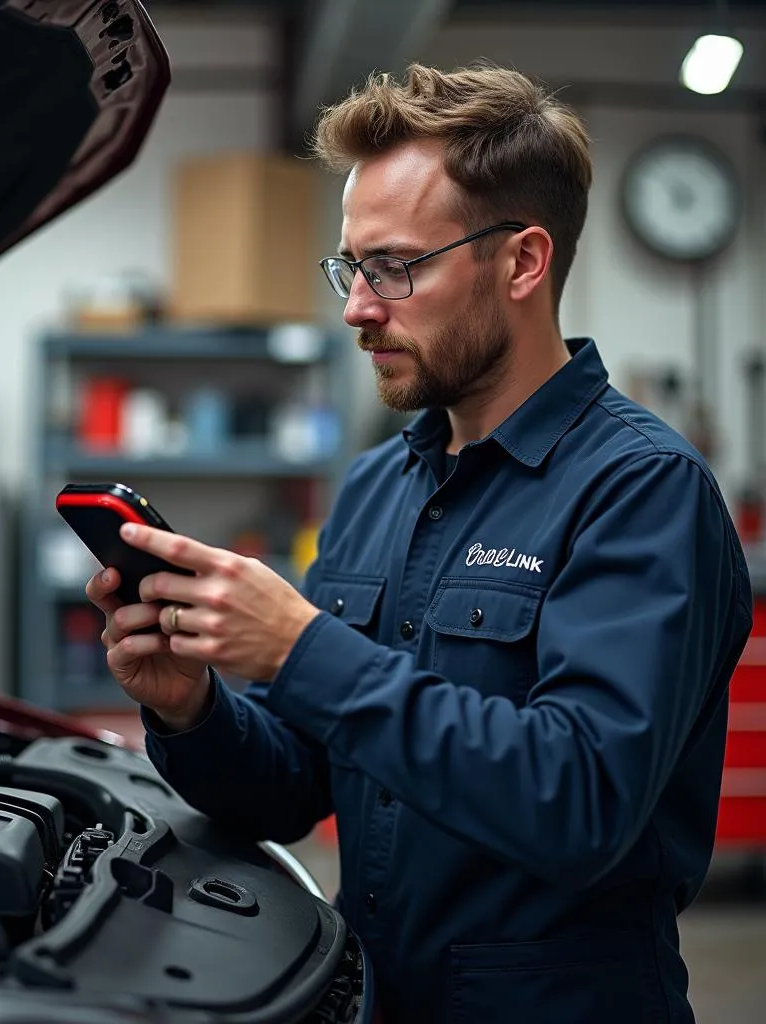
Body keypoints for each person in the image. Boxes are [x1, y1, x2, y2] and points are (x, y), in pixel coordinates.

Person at [86, 64, 752, 1024]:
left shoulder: (640, 490)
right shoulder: (375, 486)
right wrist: (192, 709)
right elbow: (289, 788)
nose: (358, 306)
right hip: (377, 995)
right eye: (350, 267)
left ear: (522, 263)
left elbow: (581, 803)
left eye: (394, 267)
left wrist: (304, 650)